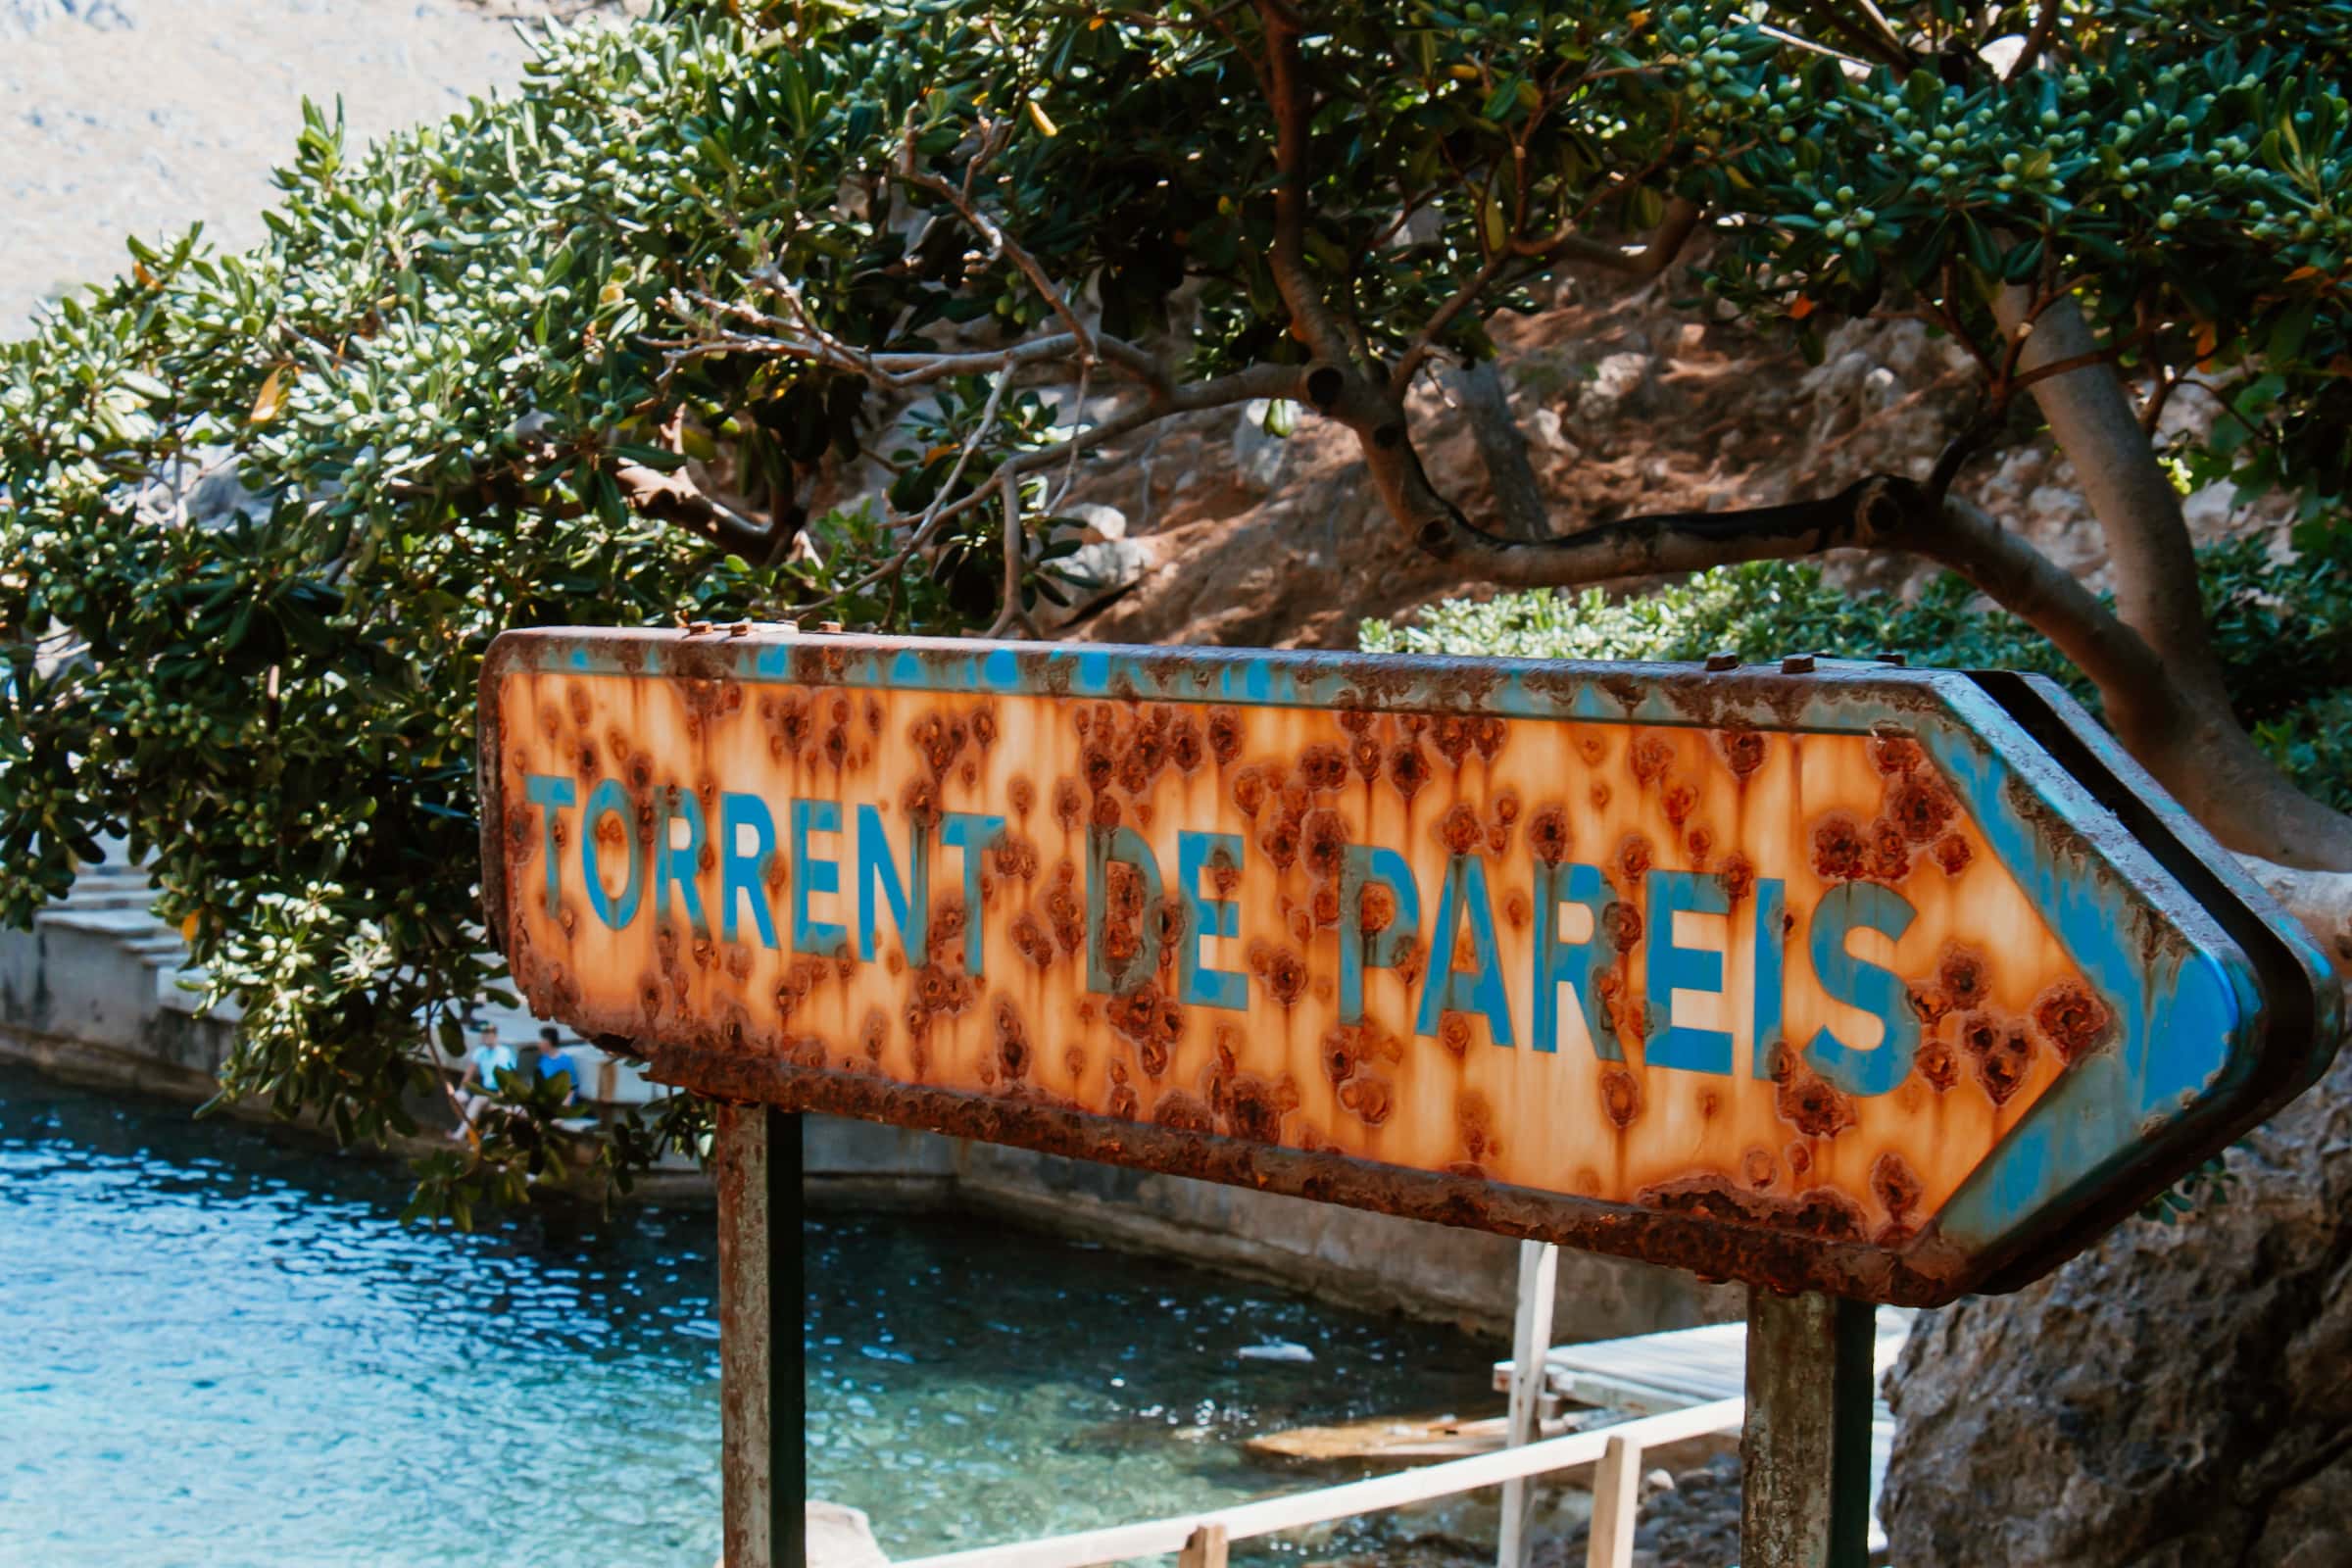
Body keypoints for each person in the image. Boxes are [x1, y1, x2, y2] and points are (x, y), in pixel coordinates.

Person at [454, 1021, 516, 1133]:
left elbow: (510, 1077)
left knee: (495, 1112)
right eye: (484, 1034)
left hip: (500, 1093)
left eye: (489, 1034)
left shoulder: (504, 1053)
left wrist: (504, 1095)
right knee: (461, 1098)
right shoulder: (480, 1051)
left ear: (495, 1036)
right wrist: (462, 1089)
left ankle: (465, 1135)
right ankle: (469, 1134)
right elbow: (470, 1072)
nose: (486, 1037)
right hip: (485, 1091)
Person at [535, 1025, 579, 1106]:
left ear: (547, 1042)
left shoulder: (565, 1061)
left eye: (541, 1041)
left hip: (561, 1103)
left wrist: (564, 1105)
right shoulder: (544, 1059)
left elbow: (572, 1087)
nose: (538, 1044)